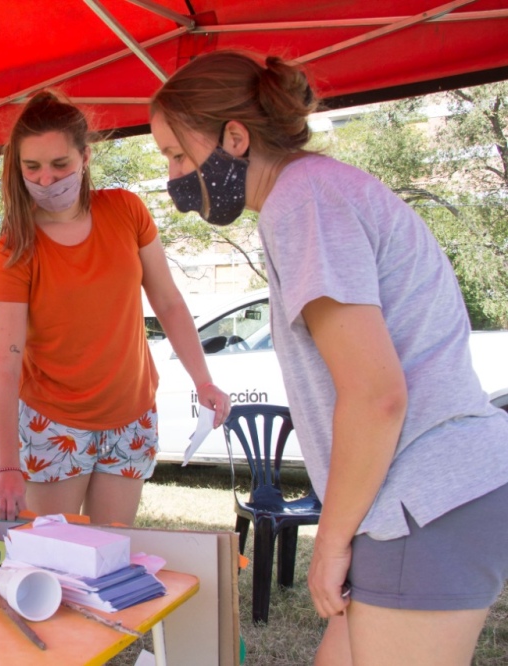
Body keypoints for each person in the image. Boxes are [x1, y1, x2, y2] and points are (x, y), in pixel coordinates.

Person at [149, 50, 508, 665]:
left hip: (421, 500)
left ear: (235, 138)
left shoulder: (303, 202)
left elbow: (376, 394)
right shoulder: (315, 191)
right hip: (412, 496)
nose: (175, 176)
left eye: (178, 155)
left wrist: (331, 541)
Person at [0, 90, 230, 526]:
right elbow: (5, 365)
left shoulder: (126, 210)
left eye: (60, 165)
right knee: (57, 560)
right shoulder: (15, 247)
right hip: (53, 421)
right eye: (32, 167)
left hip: (131, 415)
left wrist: (204, 380)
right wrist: (7, 466)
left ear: (85, 156)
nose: (46, 180)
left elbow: (169, 302)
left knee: (109, 555)